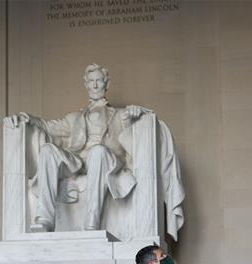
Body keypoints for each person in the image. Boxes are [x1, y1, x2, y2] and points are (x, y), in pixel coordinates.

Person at [9, 64, 149, 231]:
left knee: (98, 151)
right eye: (91, 81)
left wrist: (136, 113)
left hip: (106, 159)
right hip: (78, 160)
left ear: (107, 84)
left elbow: (143, 124)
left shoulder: (120, 115)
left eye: (98, 80)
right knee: (47, 150)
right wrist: (28, 118)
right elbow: (47, 126)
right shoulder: (73, 118)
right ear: (86, 84)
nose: (95, 85)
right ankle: (44, 219)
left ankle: (92, 221)